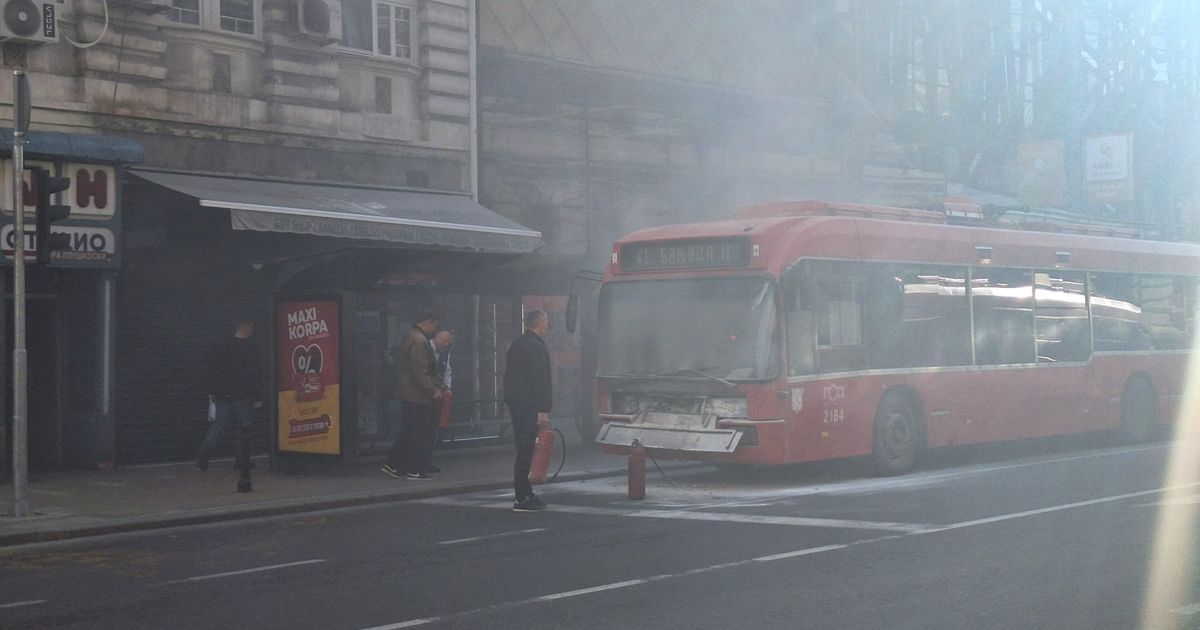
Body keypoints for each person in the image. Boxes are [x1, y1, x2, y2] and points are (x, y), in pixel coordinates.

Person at [381, 308, 443, 480]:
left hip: (410, 393)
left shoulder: (410, 336)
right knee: (418, 433)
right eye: (434, 325)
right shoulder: (419, 340)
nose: (435, 329)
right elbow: (420, 370)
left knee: (408, 431)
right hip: (419, 396)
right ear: (427, 322)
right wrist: (433, 390)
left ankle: (393, 464)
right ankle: (413, 468)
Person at [198, 317, 262, 472]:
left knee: (219, 426)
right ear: (244, 327)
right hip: (243, 394)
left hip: (222, 393)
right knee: (244, 427)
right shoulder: (250, 348)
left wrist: (212, 391)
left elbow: (213, 369)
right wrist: (258, 396)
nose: (252, 330)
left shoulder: (221, 346)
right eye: (251, 326)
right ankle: (241, 461)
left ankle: (203, 455)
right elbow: (253, 374)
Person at [504, 309, 552, 512]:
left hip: (517, 405)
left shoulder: (516, 345)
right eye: (546, 322)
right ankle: (522, 496)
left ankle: (526, 492)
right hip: (530, 406)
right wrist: (542, 409)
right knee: (526, 452)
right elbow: (540, 380)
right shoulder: (536, 347)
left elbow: (509, 377)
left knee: (523, 449)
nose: (547, 326)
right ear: (539, 322)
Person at [427, 328, 455, 473]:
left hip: (439, 395)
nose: (445, 344)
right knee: (423, 431)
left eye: (448, 342)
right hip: (426, 396)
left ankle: (426, 461)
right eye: (443, 340)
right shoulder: (425, 349)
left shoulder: (445, 353)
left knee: (433, 430)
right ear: (435, 337)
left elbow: (447, 372)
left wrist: (447, 387)